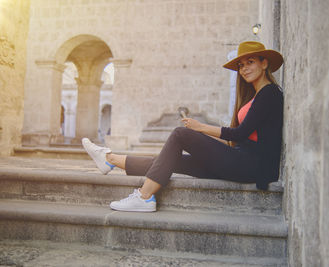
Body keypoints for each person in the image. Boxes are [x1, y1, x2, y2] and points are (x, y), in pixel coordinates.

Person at [82, 41, 284, 212]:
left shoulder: (270, 93)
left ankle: (145, 196)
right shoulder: (255, 95)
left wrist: (200, 127)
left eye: (250, 62)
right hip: (242, 161)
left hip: (252, 165)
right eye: (241, 65)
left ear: (264, 63)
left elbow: (240, 134)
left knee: (181, 134)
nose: (244, 69)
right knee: (170, 161)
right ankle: (110, 159)